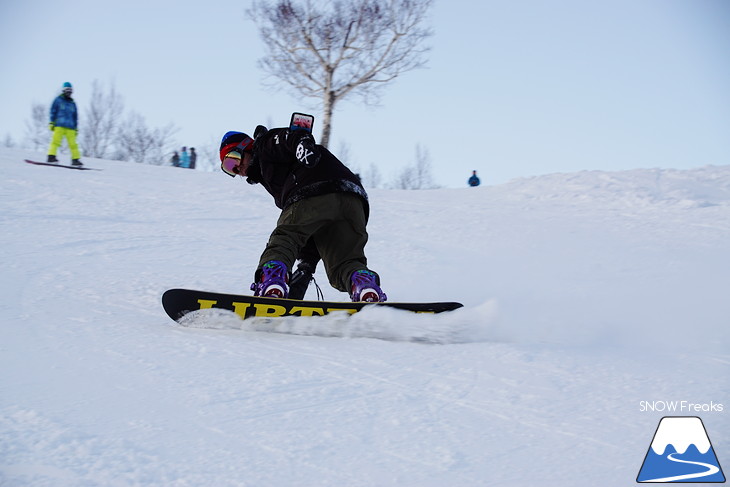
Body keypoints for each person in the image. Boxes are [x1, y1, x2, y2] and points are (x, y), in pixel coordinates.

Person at [219, 125, 386, 302]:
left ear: (246, 147)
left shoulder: (264, 145)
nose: (237, 169)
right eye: (229, 168)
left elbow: (290, 136)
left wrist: (302, 144)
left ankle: (271, 281)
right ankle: (364, 286)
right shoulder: (268, 171)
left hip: (314, 189)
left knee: (284, 238)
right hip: (353, 201)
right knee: (344, 262)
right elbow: (313, 225)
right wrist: (306, 265)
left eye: (233, 159)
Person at [47, 82, 82, 166]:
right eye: (67, 90)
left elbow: (75, 116)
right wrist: (51, 122)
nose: (69, 92)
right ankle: (51, 157)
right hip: (59, 125)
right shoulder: (58, 100)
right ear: (63, 90)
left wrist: (76, 128)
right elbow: (53, 111)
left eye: (70, 90)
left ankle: (75, 160)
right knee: (56, 141)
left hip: (70, 127)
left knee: (73, 144)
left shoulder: (73, 103)